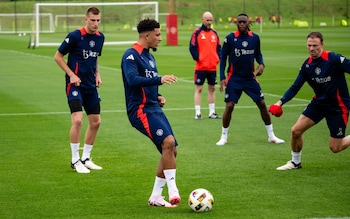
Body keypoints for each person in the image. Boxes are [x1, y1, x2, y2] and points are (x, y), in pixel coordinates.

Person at [121, 19, 181, 208]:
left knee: (171, 150)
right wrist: (159, 80)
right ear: (146, 36)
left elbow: (147, 83)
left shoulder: (149, 57)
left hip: (153, 107)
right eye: (157, 35)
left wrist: (159, 95)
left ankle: (155, 197)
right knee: (168, 143)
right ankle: (173, 190)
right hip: (139, 110)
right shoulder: (131, 55)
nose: (160, 38)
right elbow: (132, 79)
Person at [271, 31, 350, 170]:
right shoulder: (307, 65)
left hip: (337, 107)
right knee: (296, 130)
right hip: (319, 104)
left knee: (335, 148)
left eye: (315, 45)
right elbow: (295, 87)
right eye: (309, 45)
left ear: (322, 44)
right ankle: (295, 162)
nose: (312, 48)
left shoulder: (334, 59)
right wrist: (280, 102)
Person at [216, 13, 284, 146]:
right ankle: (223, 136)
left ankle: (271, 135)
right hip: (234, 78)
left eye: (244, 22)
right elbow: (223, 57)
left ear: (248, 23)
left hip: (249, 78)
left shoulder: (255, 38)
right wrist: (222, 77)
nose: (241, 24)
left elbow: (258, 54)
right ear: (237, 23)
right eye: (239, 22)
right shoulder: (230, 38)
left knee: (262, 104)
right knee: (229, 106)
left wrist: (262, 64)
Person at [54, 7, 104, 174]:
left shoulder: (100, 38)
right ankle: (75, 160)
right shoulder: (75, 36)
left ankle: (86, 158)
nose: (96, 24)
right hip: (75, 85)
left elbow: (95, 57)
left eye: (98, 20)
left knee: (96, 122)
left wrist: (97, 74)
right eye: (93, 20)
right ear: (86, 19)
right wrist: (71, 75)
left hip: (90, 85)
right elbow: (58, 57)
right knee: (77, 121)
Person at [189, 11, 221, 120]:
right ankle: (197, 113)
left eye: (211, 20)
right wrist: (199, 58)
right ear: (203, 20)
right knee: (199, 89)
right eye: (207, 20)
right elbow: (192, 47)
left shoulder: (214, 33)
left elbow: (219, 48)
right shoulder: (197, 32)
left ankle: (212, 112)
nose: (209, 22)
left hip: (212, 67)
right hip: (201, 67)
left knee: (212, 88)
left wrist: (218, 59)